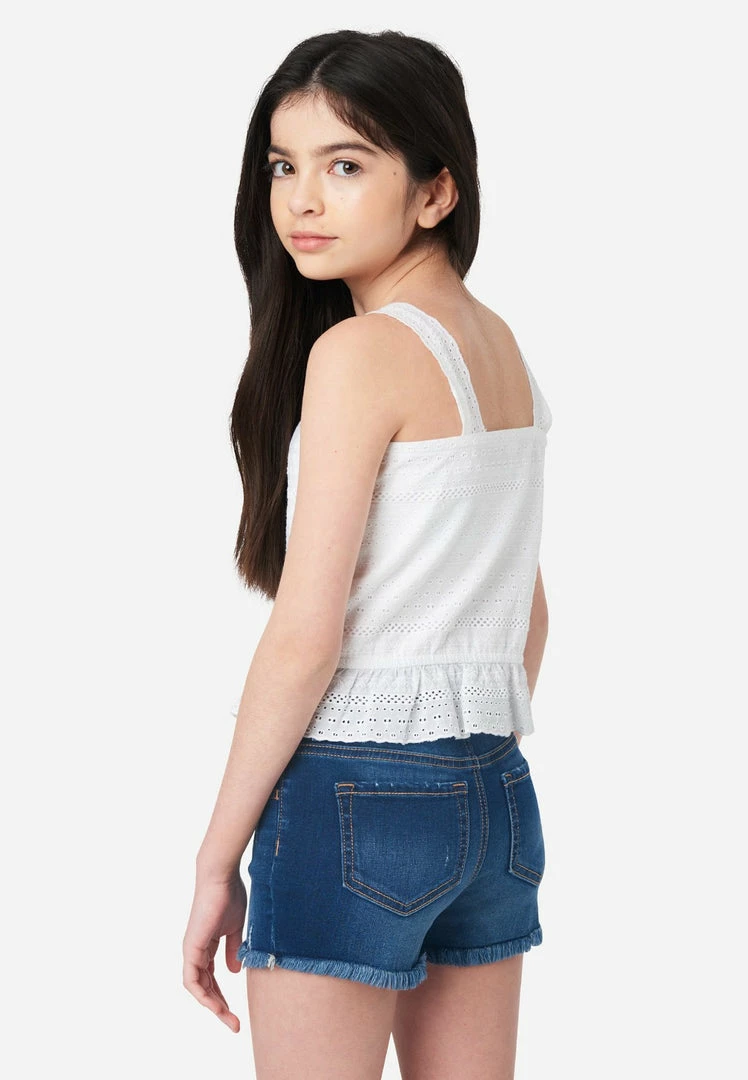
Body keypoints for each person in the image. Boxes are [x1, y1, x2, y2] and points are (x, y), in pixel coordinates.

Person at [182, 28, 552, 1080]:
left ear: (435, 192)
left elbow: (307, 637)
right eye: (282, 167)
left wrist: (215, 859)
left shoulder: (359, 353)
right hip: (496, 797)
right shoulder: (500, 347)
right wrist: (458, 776)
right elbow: (528, 611)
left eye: (345, 166)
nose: (302, 201)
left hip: (350, 798)